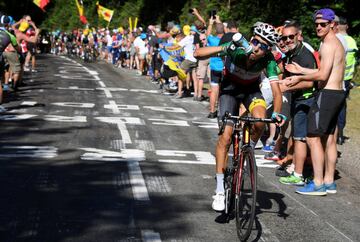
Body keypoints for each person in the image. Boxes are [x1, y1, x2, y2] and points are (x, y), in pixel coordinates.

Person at [194, 23, 286, 211]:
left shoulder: (268, 60)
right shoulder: (237, 50)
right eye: (255, 41)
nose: (257, 47)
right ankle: (220, 190)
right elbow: (198, 54)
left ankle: (248, 149)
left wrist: (277, 113)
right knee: (226, 136)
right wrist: (224, 48)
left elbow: (277, 91)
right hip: (229, 90)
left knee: (260, 120)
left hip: (251, 91)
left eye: (263, 46)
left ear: (269, 49)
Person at [283, 8, 346, 195]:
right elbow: (327, 71)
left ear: (332, 24)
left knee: (312, 137)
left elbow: (323, 74)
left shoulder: (328, 44)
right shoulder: (335, 42)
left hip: (327, 94)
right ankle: (328, 181)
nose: (318, 27)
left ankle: (317, 184)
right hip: (338, 93)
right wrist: (301, 70)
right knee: (329, 139)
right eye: (317, 24)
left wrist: (298, 78)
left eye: (323, 24)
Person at [277, 21, 318, 186]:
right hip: (298, 99)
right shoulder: (292, 52)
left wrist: (286, 86)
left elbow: (309, 83)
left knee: (300, 138)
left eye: (290, 36)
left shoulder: (304, 55)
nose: (287, 40)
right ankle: (295, 167)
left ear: (298, 36)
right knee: (297, 135)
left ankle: (298, 174)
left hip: (306, 100)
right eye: (284, 37)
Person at [334, 16, 358, 145]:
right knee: (342, 106)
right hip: (347, 79)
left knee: (333, 106)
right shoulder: (352, 42)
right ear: (347, 26)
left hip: (336, 77)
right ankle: (340, 135)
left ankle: (334, 133)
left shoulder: (337, 40)